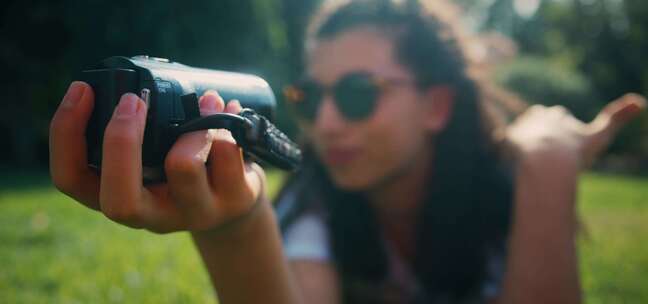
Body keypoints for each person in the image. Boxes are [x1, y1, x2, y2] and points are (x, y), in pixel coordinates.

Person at [49, 0, 645, 303]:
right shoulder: (318, 205)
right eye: (313, 96)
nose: (327, 122)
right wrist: (235, 225)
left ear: (437, 105)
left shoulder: (502, 189)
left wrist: (545, 166)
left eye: (359, 95)